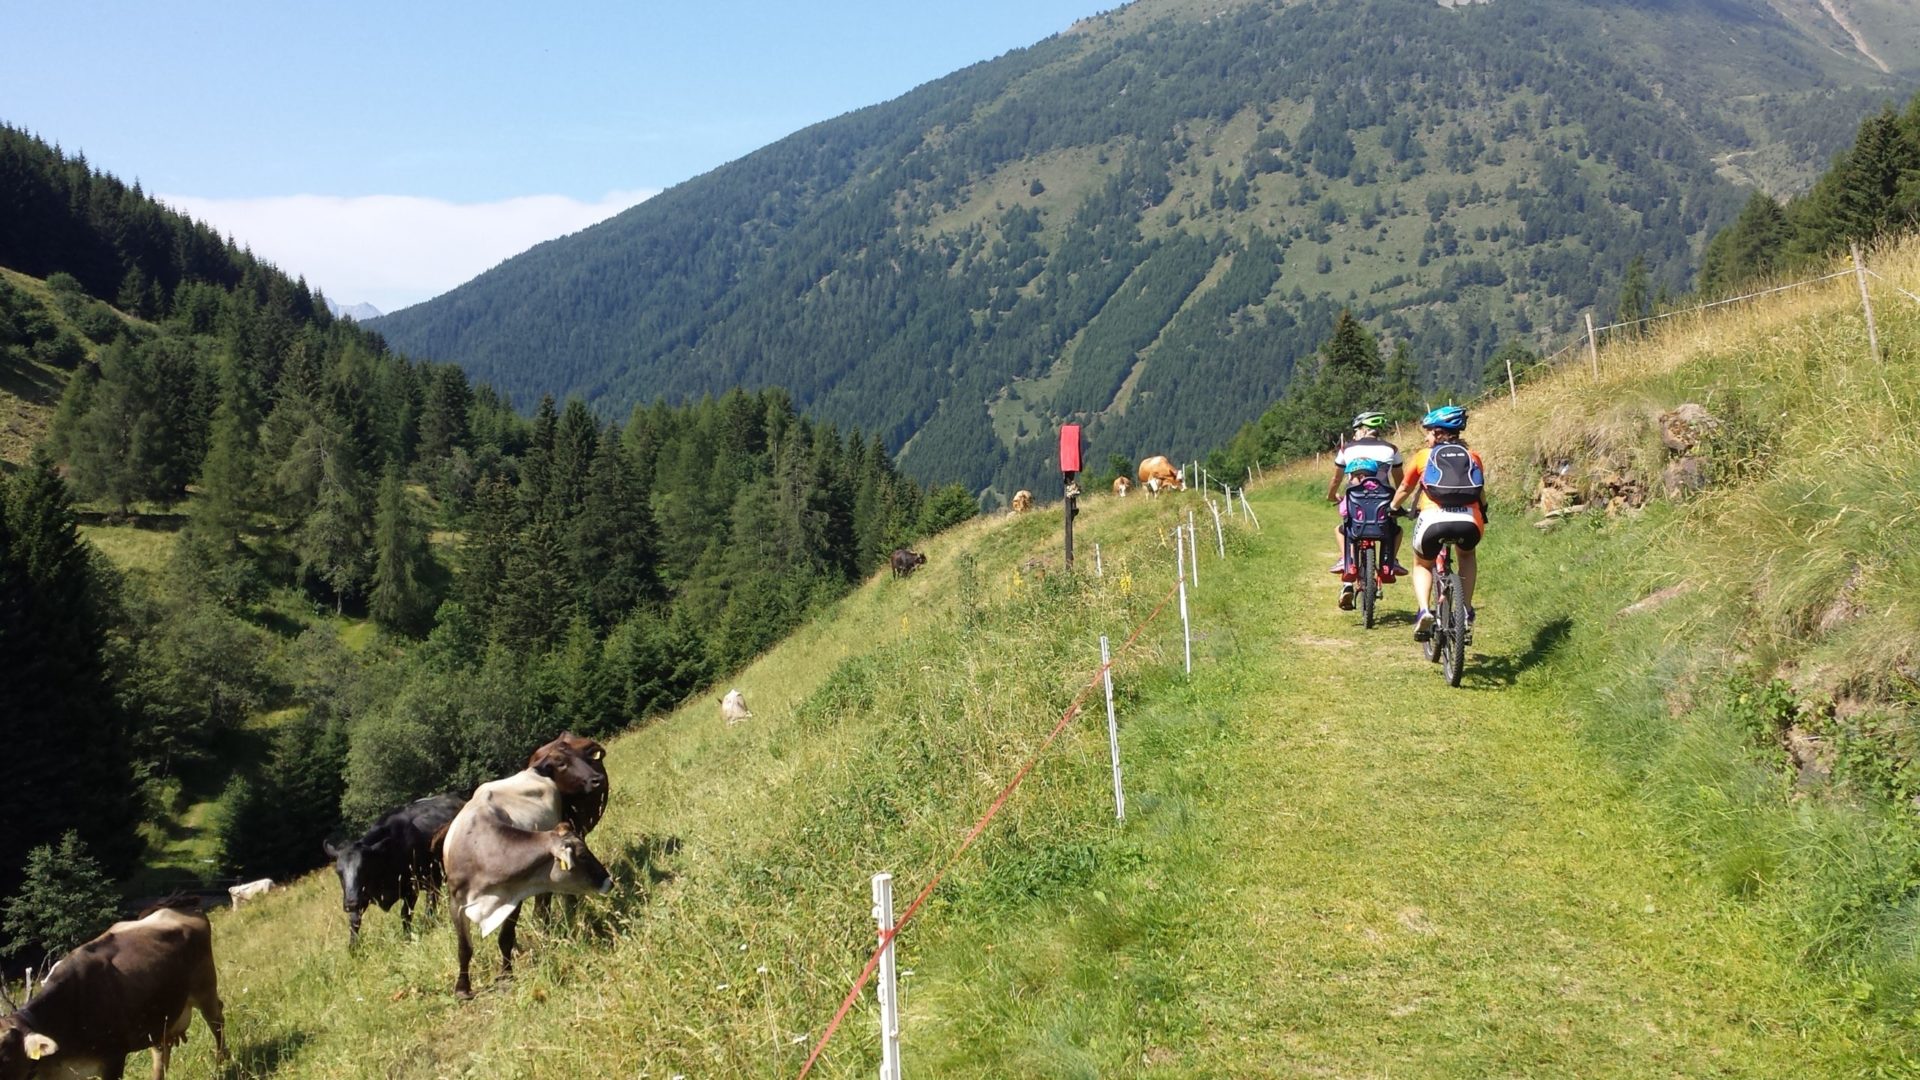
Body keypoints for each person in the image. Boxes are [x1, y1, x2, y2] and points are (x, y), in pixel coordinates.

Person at [1390, 405, 1486, 642]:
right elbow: (1481, 492)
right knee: (1466, 555)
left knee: (1423, 563)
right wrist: (1483, 512)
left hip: (1433, 519)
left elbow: (1405, 487)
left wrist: (1392, 508)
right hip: (1469, 521)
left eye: (1429, 432)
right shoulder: (1473, 456)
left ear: (1439, 433)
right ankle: (1464, 610)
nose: (1426, 436)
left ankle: (1424, 610)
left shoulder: (1424, 456)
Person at [1327, 411, 1405, 608]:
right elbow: (1400, 481)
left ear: (1362, 429)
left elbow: (1336, 479)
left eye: (1356, 430)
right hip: (1383, 507)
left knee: (1344, 529)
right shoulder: (1391, 449)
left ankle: (1348, 564)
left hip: (1356, 504)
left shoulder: (1347, 449)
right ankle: (1392, 561)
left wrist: (1331, 495)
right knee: (1395, 530)